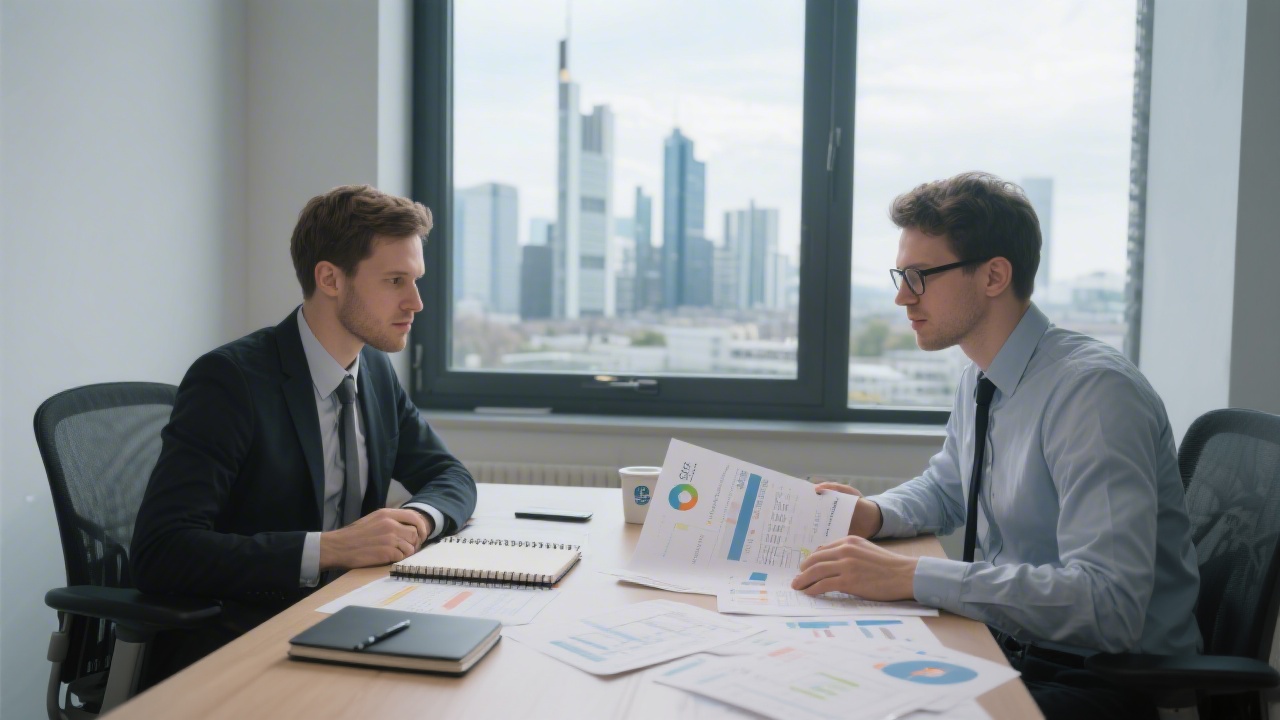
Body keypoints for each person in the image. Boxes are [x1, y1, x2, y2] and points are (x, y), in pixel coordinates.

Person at [792, 172, 1200, 719]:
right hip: (1019, 649)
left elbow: (1108, 604)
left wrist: (909, 576)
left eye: (918, 277)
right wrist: (873, 513)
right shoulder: (981, 375)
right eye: (900, 275)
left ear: (993, 276)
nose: (900, 296)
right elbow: (948, 485)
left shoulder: (1094, 395)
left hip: (1108, 679)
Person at [132, 184, 477, 677]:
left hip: (351, 618)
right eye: (396, 280)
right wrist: (332, 548)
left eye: (416, 280)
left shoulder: (373, 371)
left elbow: (450, 475)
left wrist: (417, 520)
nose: (416, 303)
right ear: (330, 279)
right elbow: (161, 552)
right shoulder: (231, 381)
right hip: (243, 637)